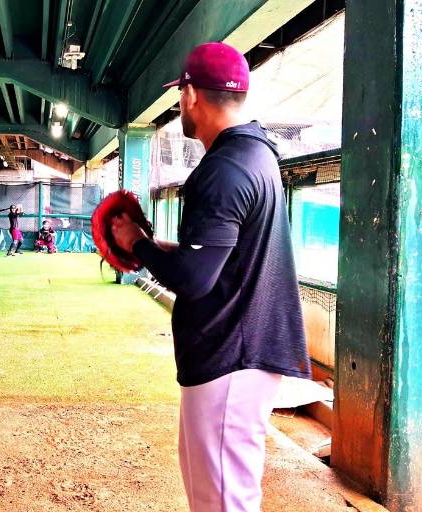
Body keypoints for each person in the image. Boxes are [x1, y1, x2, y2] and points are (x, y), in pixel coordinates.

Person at [111, 42, 310, 512]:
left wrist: (137, 245)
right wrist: (150, 244)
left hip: (231, 356)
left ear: (190, 95)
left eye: (180, 93)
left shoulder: (223, 169)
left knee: (223, 502)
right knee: (219, 494)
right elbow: (220, 259)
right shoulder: (254, 153)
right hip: (240, 353)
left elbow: (197, 277)